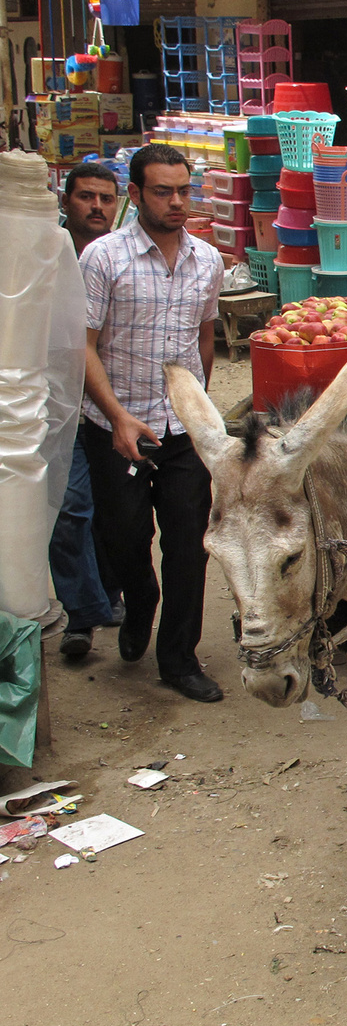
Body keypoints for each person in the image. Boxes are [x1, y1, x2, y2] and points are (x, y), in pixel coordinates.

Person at [79, 144, 224, 703]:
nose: (177, 201)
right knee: (123, 537)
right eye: (163, 191)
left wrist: (201, 408)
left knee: (190, 543)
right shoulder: (103, 259)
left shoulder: (206, 261)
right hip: (116, 426)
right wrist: (117, 416)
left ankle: (179, 659)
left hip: (183, 430)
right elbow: (83, 347)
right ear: (135, 194)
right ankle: (139, 601)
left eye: (184, 190)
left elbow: (204, 337)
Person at [51, 161, 124, 659]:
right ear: (65, 201)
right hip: (58, 408)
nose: (96, 207)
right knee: (69, 509)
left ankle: (107, 595)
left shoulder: (122, 257)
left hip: (114, 407)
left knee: (114, 512)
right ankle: (82, 614)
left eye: (104, 198)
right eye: (85, 197)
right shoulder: (46, 257)